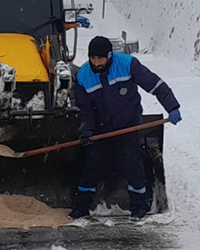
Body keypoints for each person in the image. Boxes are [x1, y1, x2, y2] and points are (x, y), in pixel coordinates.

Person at [70, 35, 181, 220]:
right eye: (92, 58)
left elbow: (155, 84)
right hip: (101, 126)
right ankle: (82, 205)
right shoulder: (83, 76)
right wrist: (87, 129)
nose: (96, 62)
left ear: (110, 55)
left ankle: (139, 205)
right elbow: (86, 110)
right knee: (92, 163)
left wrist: (172, 106)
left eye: (100, 58)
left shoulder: (128, 64)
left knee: (132, 161)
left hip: (128, 122)